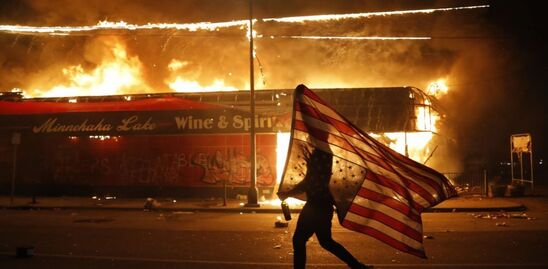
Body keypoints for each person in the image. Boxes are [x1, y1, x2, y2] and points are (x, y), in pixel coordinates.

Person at [278, 149, 373, 269]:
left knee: (300, 240)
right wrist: (289, 192)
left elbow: (311, 181)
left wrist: (288, 193)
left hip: (316, 206)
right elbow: (311, 180)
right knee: (325, 241)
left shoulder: (321, 153)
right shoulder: (321, 151)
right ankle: (357, 266)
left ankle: (357, 265)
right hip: (322, 205)